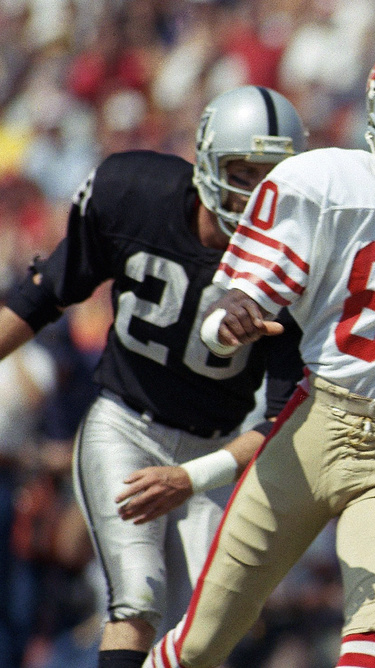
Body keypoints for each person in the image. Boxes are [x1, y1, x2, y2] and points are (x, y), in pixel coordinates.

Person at [143, 38, 375, 668]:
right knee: (202, 640)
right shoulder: (323, 179)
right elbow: (229, 305)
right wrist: (231, 319)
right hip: (311, 426)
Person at [0, 84, 308, 668]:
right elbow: (44, 293)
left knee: (209, 631)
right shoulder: (133, 193)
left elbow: (284, 415)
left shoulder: (296, 261)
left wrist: (192, 477)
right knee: (137, 599)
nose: (254, 196)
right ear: (207, 159)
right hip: (125, 428)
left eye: (272, 180)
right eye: (243, 172)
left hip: (212, 452)